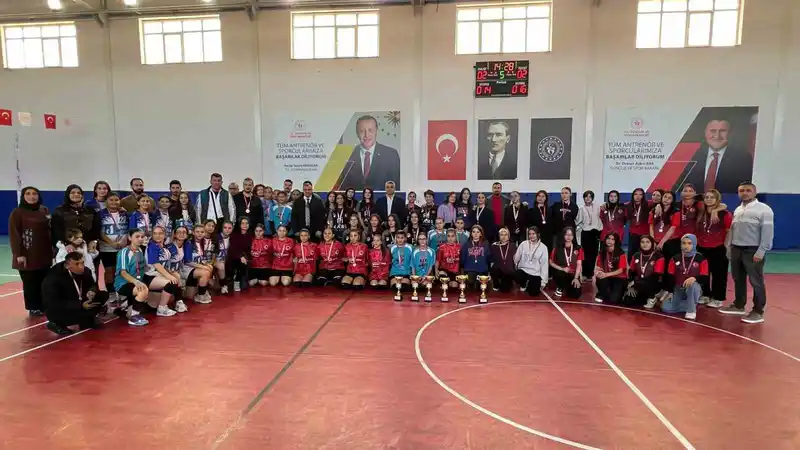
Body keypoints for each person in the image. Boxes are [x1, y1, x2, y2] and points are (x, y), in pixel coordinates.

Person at [719, 182, 774, 324]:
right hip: (736, 249)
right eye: (741, 190)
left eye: (748, 190)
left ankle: (758, 311)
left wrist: (761, 251)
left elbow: (768, 233)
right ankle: (739, 305)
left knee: (756, 281)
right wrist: (729, 247)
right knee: (738, 278)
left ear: (754, 192)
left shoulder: (764, 209)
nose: (744, 193)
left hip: (753, 250)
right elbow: (733, 230)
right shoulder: (738, 209)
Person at [9, 187, 53, 316]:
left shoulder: (44, 210)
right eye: (28, 194)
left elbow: (50, 229)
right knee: (30, 282)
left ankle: (44, 305)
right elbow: (14, 234)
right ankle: (33, 307)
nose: (32, 196)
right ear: (23, 196)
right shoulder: (17, 213)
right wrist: (19, 254)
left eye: (34, 194)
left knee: (44, 281)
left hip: (44, 253)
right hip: (27, 253)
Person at [681, 118, 754, 193]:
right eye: (713, 131)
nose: (717, 136)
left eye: (722, 131)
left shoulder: (743, 159)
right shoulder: (692, 155)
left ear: (730, 134)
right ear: (705, 133)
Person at [42, 252, 104, 335]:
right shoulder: (53, 277)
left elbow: (93, 285)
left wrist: (92, 290)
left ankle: (87, 319)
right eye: (77, 264)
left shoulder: (86, 271)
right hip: (63, 307)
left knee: (102, 295)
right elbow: (53, 302)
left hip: (80, 301)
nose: (81, 266)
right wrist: (80, 305)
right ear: (67, 266)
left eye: (82, 263)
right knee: (55, 309)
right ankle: (56, 323)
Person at [340, 114, 401, 190]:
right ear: (357, 133)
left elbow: (397, 188)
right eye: (362, 131)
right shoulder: (346, 155)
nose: (366, 135)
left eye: (370, 130)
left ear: (376, 131)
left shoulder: (391, 155)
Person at [696, 189, 732, 309]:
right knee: (703, 273)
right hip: (702, 247)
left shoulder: (725, 214)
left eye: (712, 197)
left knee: (719, 274)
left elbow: (729, 231)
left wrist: (726, 246)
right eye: (707, 197)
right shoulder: (701, 212)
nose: (709, 199)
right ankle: (706, 294)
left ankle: (718, 298)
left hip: (718, 247)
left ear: (717, 200)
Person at [661, 234, 708, 320]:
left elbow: (704, 277)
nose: (686, 246)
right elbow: (670, 276)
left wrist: (695, 278)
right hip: (678, 288)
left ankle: (691, 310)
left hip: (693, 288)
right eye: (684, 243)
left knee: (692, 285)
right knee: (665, 308)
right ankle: (688, 304)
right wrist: (670, 291)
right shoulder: (675, 258)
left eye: (689, 243)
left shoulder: (701, 259)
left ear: (694, 244)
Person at [144, 226, 184, 317]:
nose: (158, 236)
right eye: (155, 233)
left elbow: (163, 264)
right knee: (171, 282)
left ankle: (178, 301)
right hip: (150, 275)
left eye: (160, 233)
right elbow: (156, 264)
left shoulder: (164, 247)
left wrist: (170, 272)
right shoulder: (152, 246)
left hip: (159, 273)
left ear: (165, 235)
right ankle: (161, 309)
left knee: (176, 276)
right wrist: (169, 276)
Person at [114, 229, 151, 327]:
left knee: (145, 292)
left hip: (134, 282)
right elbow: (123, 272)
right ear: (130, 238)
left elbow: (139, 270)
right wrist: (136, 282)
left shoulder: (139, 250)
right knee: (143, 290)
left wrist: (139, 281)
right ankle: (134, 318)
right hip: (122, 284)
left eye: (142, 237)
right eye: (137, 236)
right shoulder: (124, 252)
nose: (140, 239)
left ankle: (128, 308)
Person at [51, 184, 101, 250]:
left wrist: (94, 241)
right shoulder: (59, 211)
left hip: (88, 247)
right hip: (67, 248)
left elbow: (96, 228)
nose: (76, 194)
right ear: (68, 195)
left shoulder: (90, 210)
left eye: (79, 193)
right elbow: (56, 231)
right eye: (73, 192)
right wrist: (66, 244)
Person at [623, 235, 664, 308]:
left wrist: (635, 283)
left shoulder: (659, 256)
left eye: (647, 242)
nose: (645, 244)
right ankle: (643, 297)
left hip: (653, 283)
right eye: (642, 242)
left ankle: (652, 297)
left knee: (647, 283)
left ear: (652, 244)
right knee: (628, 301)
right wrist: (631, 284)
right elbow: (631, 271)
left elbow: (656, 276)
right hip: (639, 284)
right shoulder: (636, 255)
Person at [593, 232, 628, 305]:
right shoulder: (602, 252)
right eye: (608, 238)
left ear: (616, 241)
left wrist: (606, 274)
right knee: (600, 277)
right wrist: (598, 271)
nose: (610, 241)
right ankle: (601, 293)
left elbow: (621, 270)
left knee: (613, 300)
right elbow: (598, 267)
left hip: (619, 278)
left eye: (613, 239)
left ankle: (619, 292)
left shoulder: (621, 253)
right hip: (607, 276)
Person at [514, 226, 549, 297]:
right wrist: (515, 259)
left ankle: (530, 284)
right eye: (529, 234)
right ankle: (523, 284)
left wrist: (543, 282)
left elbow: (544, 265)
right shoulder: (523, 244)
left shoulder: (543, 247)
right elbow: (516, 258)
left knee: (533, 293)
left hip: (535, 273)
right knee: (516, 275)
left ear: (538, 234)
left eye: (533, 234)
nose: (531, 236)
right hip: (524, 270)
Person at [549, 227, 583, 298]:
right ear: (563, 235)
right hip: (562, 272)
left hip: (573, 274)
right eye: (566, 234)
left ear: (573, 236)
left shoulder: (578, 248)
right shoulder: (557, 248)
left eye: (571, 235)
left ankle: (568, 286)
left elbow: (579, 264)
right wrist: (562, 269)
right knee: (560, 273)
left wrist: (576, 278)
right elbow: (551, 262)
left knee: (575, 295)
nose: (568, 237)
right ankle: (560, 287)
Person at [184, 224, 214, 304]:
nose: (200, 234)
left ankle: (202, 291)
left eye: (202, 232)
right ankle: (200, 295)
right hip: (187, 269)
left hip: (196, 268)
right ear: (193, 233)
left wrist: (205, 265)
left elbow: (201, 258)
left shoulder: (202, 243)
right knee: (205, 271)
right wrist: (203, 267)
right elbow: (187, 261)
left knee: (209, 267)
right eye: (197, 232)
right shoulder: (189, 243)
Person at [576, 190, 601, 282]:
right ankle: (585, 274)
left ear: (592, 198)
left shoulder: (597, 207)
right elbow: (577, 221)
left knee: (593, 254)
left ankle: (590, 274)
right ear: (583, 198)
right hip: (586, 233)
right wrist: (581, 227)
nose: (588, 198)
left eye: (590, 196)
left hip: (595, 233)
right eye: (586, 196)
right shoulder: (581, 209)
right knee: (585, 254)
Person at [461, 225, 491, 289]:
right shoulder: (466, 245)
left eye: (478, 232)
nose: (476, 234)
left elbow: (488, 257)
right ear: (471, 234)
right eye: (474, 232)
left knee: (483, 287)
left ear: (481, 234)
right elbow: (463, 259)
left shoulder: (486, 243)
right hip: (470, 269)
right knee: (471, 285)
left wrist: (487, 269)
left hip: (482, 269)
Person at [228, 217, 253, 291]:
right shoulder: (234, 234)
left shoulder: (250, 235)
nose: (245, 225)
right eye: (243, 223)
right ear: (239, 225)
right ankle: (236, 281)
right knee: (240, 262)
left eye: (247, 223)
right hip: (234, 256)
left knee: (244, 287)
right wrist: (240, 256)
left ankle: (240, 278)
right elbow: (233, 249)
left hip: (245, 257)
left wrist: (245, 257)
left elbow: (249, 250)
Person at [625, 188, 651, 260]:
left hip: (645, 234)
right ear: (633, 196)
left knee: (644, 253)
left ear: (643, 196)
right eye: (636, 194)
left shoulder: (648, 204)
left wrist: (658, 206)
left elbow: (657, 202)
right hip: (633, 233)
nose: (638, 196)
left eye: (640, 194)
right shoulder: (628, 205)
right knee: (631, 253)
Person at [489, 227, 516, 292]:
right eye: (501, 235)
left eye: (505, 235)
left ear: (508, 236)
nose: (503, 237)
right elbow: (491, 259)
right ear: (499, 236)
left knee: (504, 290)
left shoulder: (513, 246)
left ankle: (508, 282)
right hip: (498, 269)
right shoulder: (494, 246)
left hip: (508, 271)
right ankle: (496, 284)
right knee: (493, 269)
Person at [389, 231, 413, 296]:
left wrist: (412, 273)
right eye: (398, 237)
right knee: (395, 287)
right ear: (395, 238)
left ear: (405, 238)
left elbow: (413, 261)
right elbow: (390, 261)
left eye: (402, 238)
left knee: (405, 287)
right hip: (395, 273)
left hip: (406, 272)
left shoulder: (410, 247)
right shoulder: (392, 248)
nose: (400, 240)